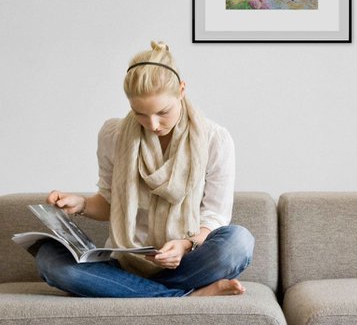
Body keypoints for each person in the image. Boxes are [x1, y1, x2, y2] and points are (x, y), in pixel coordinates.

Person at [34, 41, 254, 298]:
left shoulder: (215, 139)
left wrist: (184, 245)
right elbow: (110, 203)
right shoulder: (113, 135)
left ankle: (130, 292)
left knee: (239, 242)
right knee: (48, 259)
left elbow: (214, 216)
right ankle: (184, 297)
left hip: (186, 262)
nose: (152, 124)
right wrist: (80, 203)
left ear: (182, 90)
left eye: (163, 112)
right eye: (139, 114)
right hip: (124, 263)